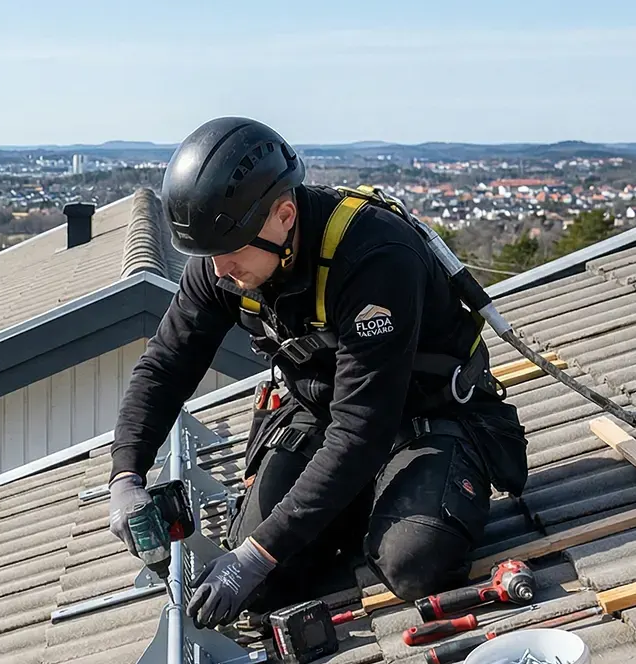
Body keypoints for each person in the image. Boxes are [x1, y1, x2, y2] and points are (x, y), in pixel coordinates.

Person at [108, 117, 528, 629]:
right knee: (260, 586)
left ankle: (386, 505)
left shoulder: (374, 258)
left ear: (284, 216)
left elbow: (361, 430)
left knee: (415, 562)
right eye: (208, 257)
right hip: (323, 417)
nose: (218, 272)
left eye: (229, 254)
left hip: (426, 416)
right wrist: (126, 474)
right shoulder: (227, 254)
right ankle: (353, 506)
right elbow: (165, 366)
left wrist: (260, 554)